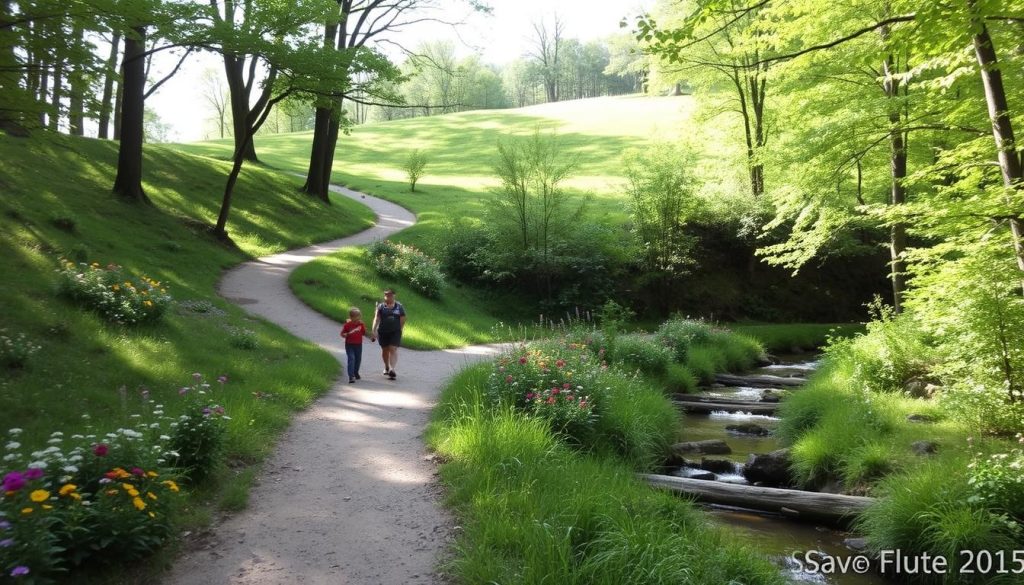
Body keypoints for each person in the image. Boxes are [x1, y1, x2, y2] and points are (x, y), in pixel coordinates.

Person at [371, 288, 405, 380]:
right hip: (383, 332)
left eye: (389, 295)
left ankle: (392, 369)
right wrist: (373, 330)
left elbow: (402, 319)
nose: (387, 297)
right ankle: (386, 366)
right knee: (385, 350)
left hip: (395, 332)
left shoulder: (399, 307)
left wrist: (400, 329)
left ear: (394, 296)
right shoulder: (381, 306)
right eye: (386, 295)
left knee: (392, 349)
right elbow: (376, 318)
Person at [340, 307, 367, 383]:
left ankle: (355, 372)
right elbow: (342, 334)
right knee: (351, 358)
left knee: (358, 359)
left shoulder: (361, 324)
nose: (359, 318)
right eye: (357, 316)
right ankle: (351, 376)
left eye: (359, 316)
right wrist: (346, 334)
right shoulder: (347, 325)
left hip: (358, 344)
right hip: (349, 345)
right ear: (351, 317)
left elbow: (364, 333)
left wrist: (363, 328)